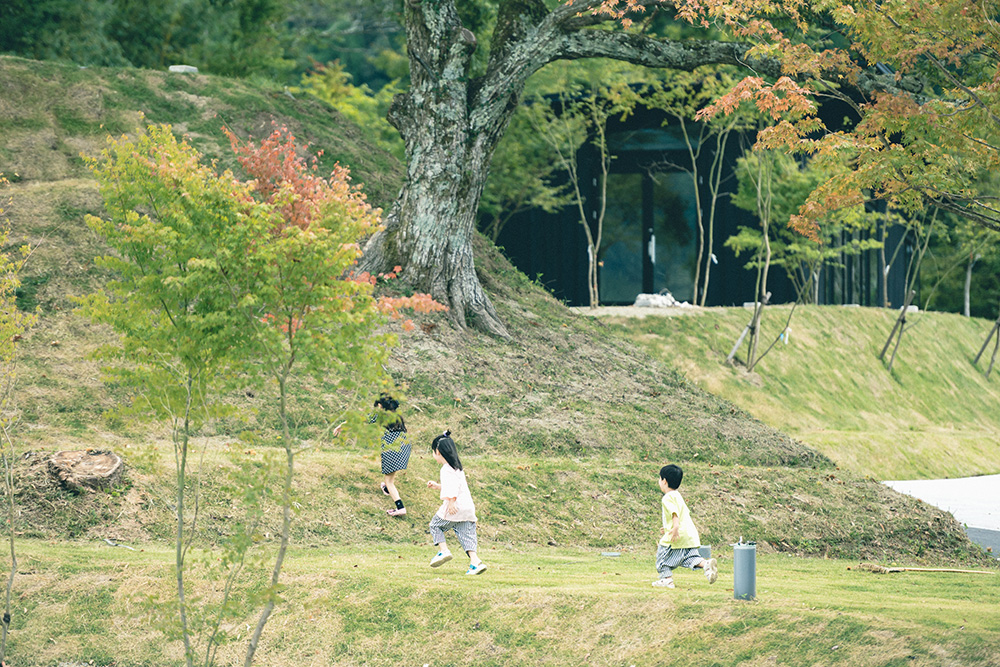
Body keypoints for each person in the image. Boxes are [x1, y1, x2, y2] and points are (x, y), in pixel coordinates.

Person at [426, 431, 487, 575]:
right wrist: (438, 486)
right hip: (467, 508)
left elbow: (453, 489)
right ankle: (475, 562)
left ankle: (443, 550)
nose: (433, 455)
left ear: (438, 452)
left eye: (433, 452)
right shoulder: (457, 468)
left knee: (435, 525)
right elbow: (455, 486)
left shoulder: (445, 470)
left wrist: (451, 501)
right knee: (467, 535)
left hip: (455, 506)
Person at [653, 464, 718, 588]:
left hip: (678, 535)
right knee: (688, 557)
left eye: (660, 478)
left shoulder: (667, 498)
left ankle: (666, 579)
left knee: (662, 556)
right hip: (688, 535)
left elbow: (675, 514)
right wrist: (668, 528)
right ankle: (706, 565)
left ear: (664, 481)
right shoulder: (678, 495)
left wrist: (675, 527)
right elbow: (682, 514)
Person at [371, 394, 411, 517]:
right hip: (405, 448)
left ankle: (400, 507)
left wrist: (342, 425)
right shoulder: (397, 416)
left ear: (379, 405)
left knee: (388, 480)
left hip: (392, 450)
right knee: (390, 478)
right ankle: (388, 490)